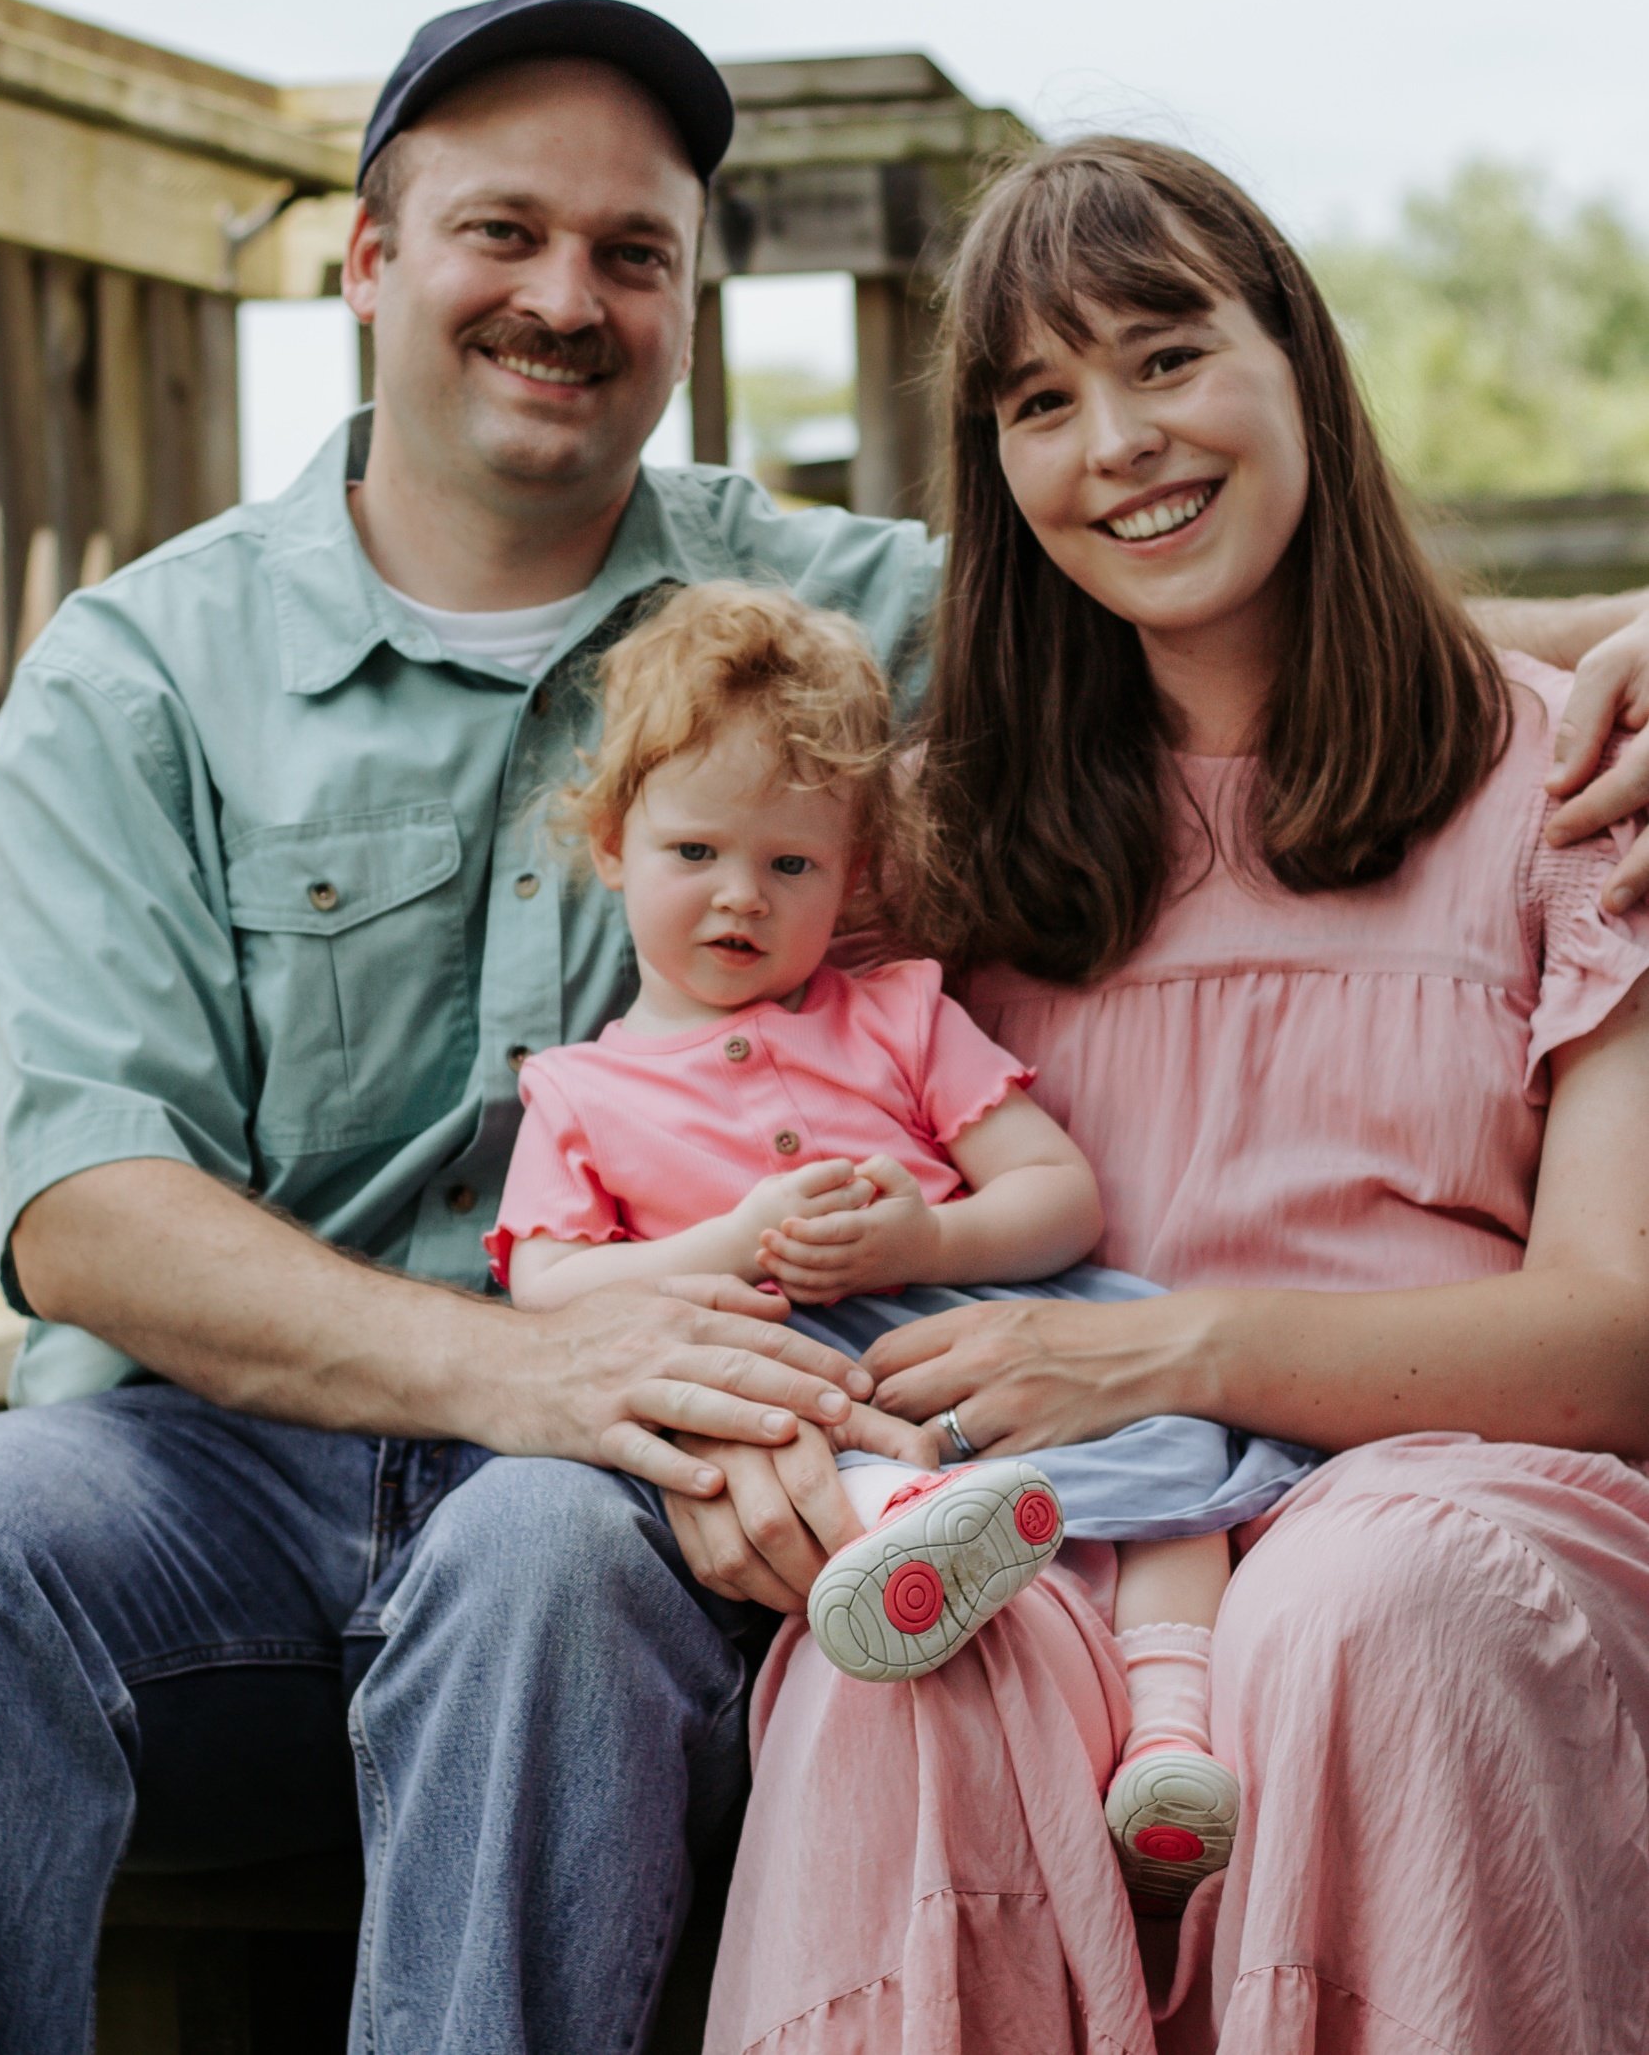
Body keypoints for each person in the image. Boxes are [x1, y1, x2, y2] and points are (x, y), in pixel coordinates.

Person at [0, 0, 944, 2055]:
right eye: (500, 231)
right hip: (204, 1480)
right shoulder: (139, 670)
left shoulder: (848, 619)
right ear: (369, 263)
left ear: (687, 300)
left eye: (634, 251)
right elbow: (87, 1202)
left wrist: (1610, 640)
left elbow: (1267, 627)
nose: (566, 297)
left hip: (626, 1506)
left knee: (539, 1555)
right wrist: (515, 1363)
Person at [698, 137, 1649, 2055]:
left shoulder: (1569, 788)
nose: (1113, 441)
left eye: (1163, 356)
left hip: (1452, 1494)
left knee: (1366, 1609)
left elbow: (1614, 1342)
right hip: (1073, 1516)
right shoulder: (934, 848)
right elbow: (739, 1191)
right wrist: (748, 1454)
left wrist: (1166, 1355)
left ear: (1296, 359)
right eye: (1040, 402)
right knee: (907, 1655)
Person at [488, 576, 1310, 1888]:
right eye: (692, 853)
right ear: (607, 846)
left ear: (854, 872)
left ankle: (1172, 1738)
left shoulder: (896, 1016)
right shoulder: (582, 1092)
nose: (737, 899)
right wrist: (737, 1241)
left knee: (1176, 1458)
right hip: (809, 1394)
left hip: (974, 1338)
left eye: (790, 864)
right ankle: (916, 1558)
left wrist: (918, 1244)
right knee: (827, 1472)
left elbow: (1058, 1198)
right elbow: (546, 1288)